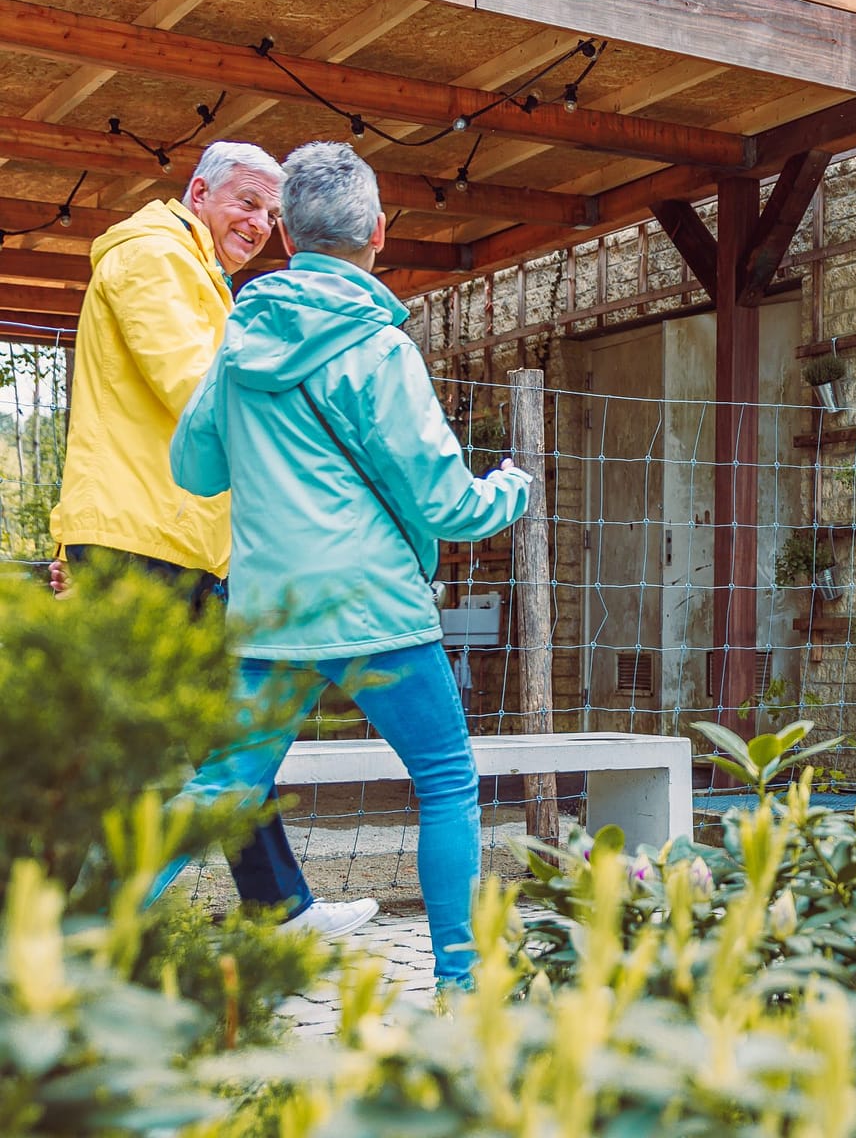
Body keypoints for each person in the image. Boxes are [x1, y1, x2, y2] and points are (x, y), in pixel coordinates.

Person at [162, 141, 531, 990]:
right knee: (446, 782)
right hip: (378, 611)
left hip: (271, 618)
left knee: (218, 789)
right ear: (378, 232)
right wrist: (510, 491)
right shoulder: (381, 352)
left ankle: (77, 943)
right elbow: (448, 507)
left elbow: (194, 469)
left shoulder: (238, 345)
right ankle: (460, 988)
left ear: (287, 237)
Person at [50, 141, 377, 939]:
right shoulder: (153, 257)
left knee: (231, 741)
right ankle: (66, 927)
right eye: (247, 202)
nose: (260, 224)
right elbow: (197, 388)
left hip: (182, 542)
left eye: (271, 212)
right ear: (199, 192)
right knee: (122, 745)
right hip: (140, 542)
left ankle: (279, 908)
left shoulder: (199, 273)